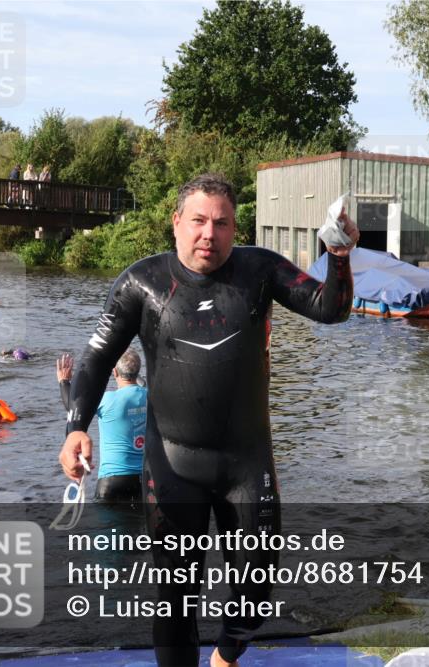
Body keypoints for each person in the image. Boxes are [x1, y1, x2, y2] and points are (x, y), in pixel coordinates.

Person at [58, 173, 358, 667]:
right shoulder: (142, 283)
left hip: (246, 462)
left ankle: (226, 654)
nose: (208, 234)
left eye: (221, 223)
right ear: (176, 222)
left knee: (257, 587)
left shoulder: (259, 271)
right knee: (175, 598)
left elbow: (332, 310)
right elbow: (94, 358)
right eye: (198, 221)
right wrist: (75, 427)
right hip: (173, 465)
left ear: (234, 226)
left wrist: (340, 255)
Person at [57, 351, 146, 503]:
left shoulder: (106, 399)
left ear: (115, 372)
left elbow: (74, 407)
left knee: (109, 527)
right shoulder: (151, 396)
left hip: (111, 481)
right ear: (137, 372)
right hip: (144, 480)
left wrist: (64, 381)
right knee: (139, 525)